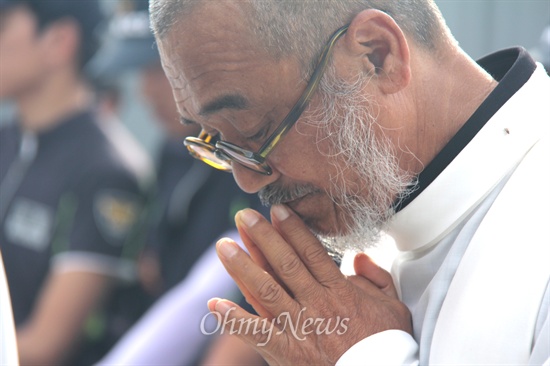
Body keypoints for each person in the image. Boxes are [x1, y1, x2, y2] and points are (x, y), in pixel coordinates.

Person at [149, 0, 550, 364]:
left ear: (378, 55)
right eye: (215, 141)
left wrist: (366, 356)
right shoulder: (373, 213)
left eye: (254, 130)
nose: (247, 182)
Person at [86, 1, 266, 364]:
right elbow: (152, 272)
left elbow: (261, 317)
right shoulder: (172, 151)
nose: (145, 90)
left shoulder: (265, 156)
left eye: (159, 69)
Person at [0, 0, 150, 364]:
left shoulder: (107, 170)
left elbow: (45, 346)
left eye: (2, 24)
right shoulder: (7, 138)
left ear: (59, 41)